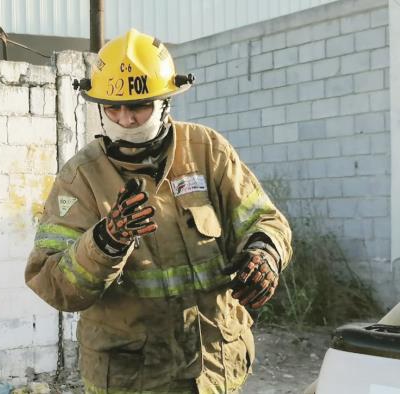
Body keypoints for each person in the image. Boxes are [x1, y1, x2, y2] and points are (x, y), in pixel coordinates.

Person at [25, 29, 292, 393]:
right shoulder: (79, 179)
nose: (125, 119)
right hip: (132, 379)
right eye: (112, 107)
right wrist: (105, 242)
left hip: (215, 370)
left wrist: (264, 253)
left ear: (165, 100)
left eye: (138, 106)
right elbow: (54, 285)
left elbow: (263, 219)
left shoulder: (206, 150)